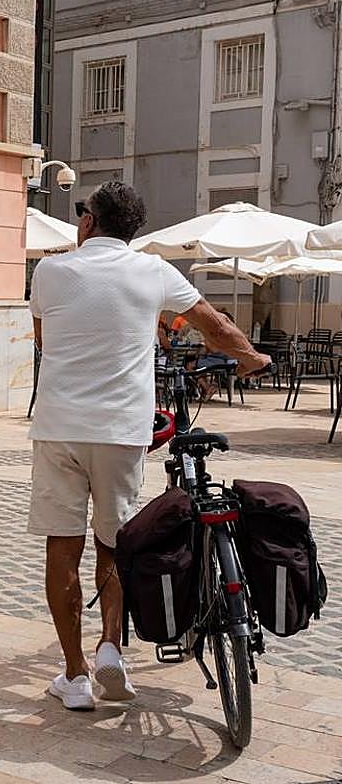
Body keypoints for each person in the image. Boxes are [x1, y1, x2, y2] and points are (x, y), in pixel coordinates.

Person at [29, 182, 269, 711]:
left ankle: (74, 676)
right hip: (122, 431)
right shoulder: (155, 271)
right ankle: (111, 648)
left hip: (60, 427)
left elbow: (44, 339)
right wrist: (252, 359)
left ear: (88, 222)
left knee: (62, 547)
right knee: (115, 543)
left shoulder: (49, 271)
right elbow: (216, 327)